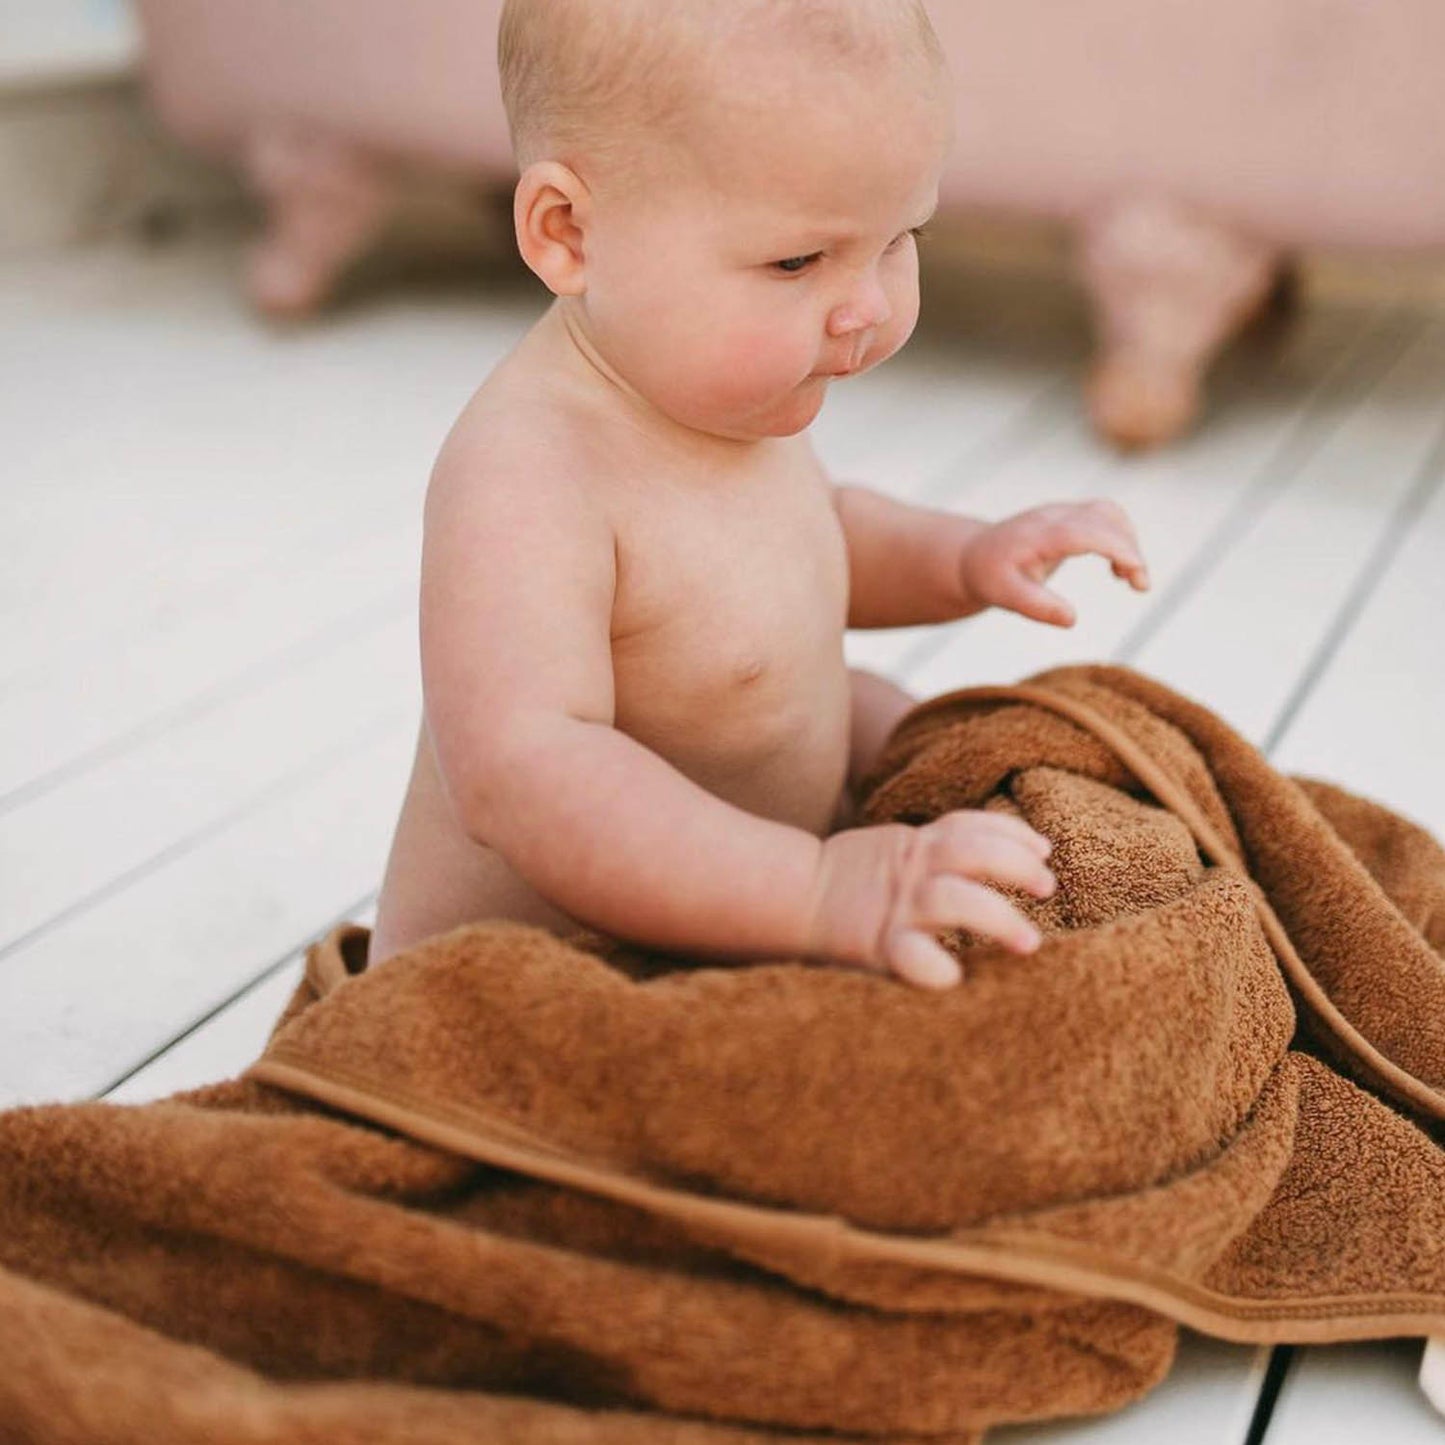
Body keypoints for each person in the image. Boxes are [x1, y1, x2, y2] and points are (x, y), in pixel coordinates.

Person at [369, 0, 1149, 989]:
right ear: (567, 232)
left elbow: (814, 540)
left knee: (924, 727)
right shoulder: (527, 473)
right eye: (796, 260)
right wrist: (817, 890)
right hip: (560, 976)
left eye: (899, 236)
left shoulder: (725, 396)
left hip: (767, 896)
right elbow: (524, 774)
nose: (866, 306)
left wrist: (964, 556)